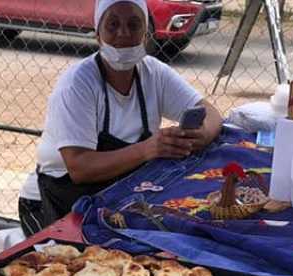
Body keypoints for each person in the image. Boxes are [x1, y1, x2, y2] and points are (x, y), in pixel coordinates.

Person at [28, 0, 223, 230]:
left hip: (116, 195)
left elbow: (211, 113)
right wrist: (148, 149)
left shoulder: (154, 73)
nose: (123, 33)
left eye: (134, 24)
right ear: (97, 34)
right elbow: (79, 167)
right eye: (112, 25)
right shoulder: (77, 84)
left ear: (146, 32)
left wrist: (201, 135)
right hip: (56, 202)